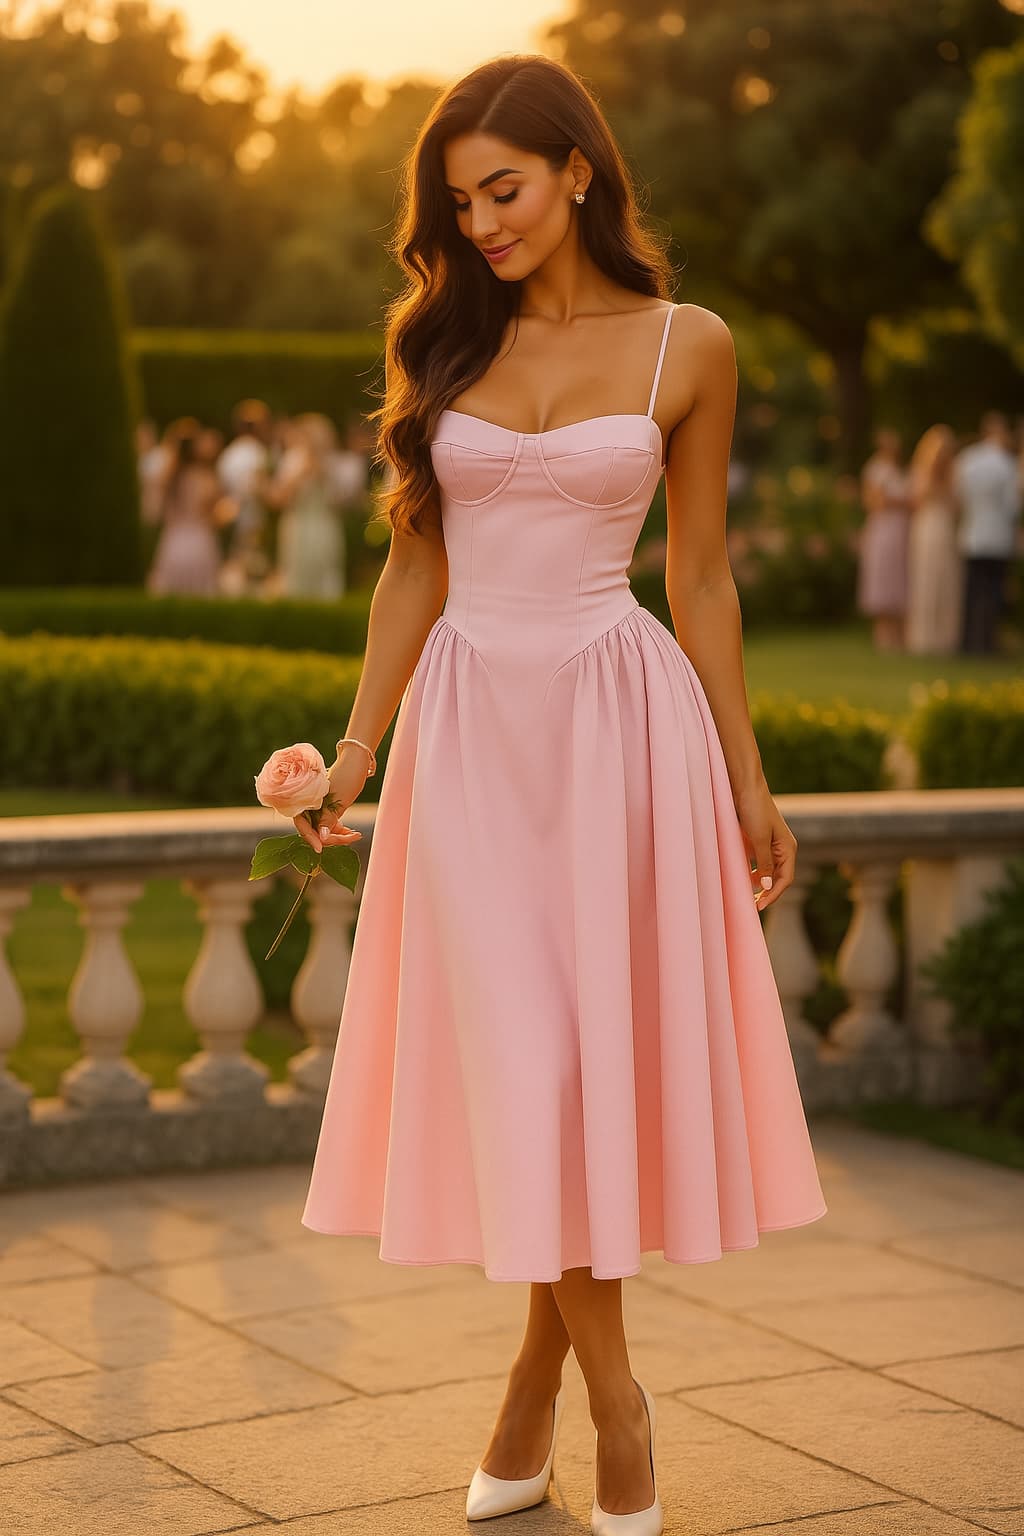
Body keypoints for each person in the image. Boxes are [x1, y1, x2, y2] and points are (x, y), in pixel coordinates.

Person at [295, 55, 827, 1536]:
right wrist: (354, 754)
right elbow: (416, 563)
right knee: (526, 1068)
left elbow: (702, 575)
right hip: (473, 735)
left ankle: (540, 1386)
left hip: (618, 727)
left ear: (579, 170)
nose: (481, 226)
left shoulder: (689, 349)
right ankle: (611, 1401)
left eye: (505, 190)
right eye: (460, 204)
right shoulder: (443, 342)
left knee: (574, 1081)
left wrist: (747, 775)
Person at [952, 411, 1022, 654]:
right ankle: (987, 643)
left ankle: (970, 642)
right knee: (992, 593)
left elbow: (958, 497)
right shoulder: (1007, 463)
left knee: (972, 592)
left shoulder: (968, 459)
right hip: (997, 537)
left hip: (972, 534)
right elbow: (1013, 505)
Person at [259, 412, 349, 599]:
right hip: (309, 524)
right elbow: (280, 498)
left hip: (316, 524)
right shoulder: (299, 460)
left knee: (321, 574)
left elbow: (342, 501)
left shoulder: (326, 462)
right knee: (302, 575)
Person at [145, 417, 223, 597]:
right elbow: (214, 514)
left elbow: (153, 512)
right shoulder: (204, 478)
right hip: (200, 542)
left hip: (172, 542)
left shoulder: (166, 477)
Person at [905, 424, 962, 655]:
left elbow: (958, 507)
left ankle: (946, 639)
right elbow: (915, 502)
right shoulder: (921, 473)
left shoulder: (954, 477)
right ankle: (923, 639)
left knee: (947, 582)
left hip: (946, 529)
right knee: (926, 582)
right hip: (927, 528)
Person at [856, 427, 913, 650]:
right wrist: (899, 502)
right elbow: (873, 502)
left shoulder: (900, 469)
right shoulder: (875, 469)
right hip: (884, 528)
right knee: (883, 577)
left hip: (901, 530)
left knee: (899, 578)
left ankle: (900, 635)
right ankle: (883, 636)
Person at [217, 399, 274, 595]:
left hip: (232, 518)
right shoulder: (258, 453)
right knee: (253, 576)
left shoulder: (228, 454)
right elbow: (261, 490)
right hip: (253, 521)